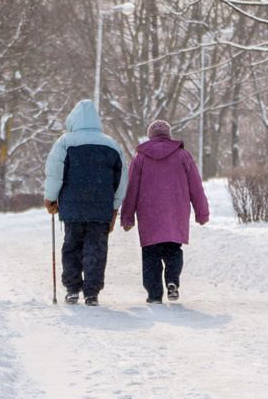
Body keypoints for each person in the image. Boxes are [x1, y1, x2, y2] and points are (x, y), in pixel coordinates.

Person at [43, 100, 127, 307]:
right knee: (96, 250)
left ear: (73, 121)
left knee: (72, 247)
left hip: (73, 208)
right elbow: (122, 179)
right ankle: (92, 292)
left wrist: (50, 198)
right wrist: (114, 206)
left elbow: (54, 174)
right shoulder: (112, 144)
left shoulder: (65, 142)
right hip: (101, 208)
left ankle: (72, 289)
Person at [120, 120, 209, 303]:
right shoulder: (183, 155)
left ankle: (154, 294)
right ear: (169, 135)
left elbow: (132, 189)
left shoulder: (140, 157)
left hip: (149, 213)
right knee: (173, 249)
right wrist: (202, 213)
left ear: (150, 136)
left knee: (150, 254)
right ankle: (172, 281)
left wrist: (127, 217)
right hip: (175, 213)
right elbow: (196, 186)